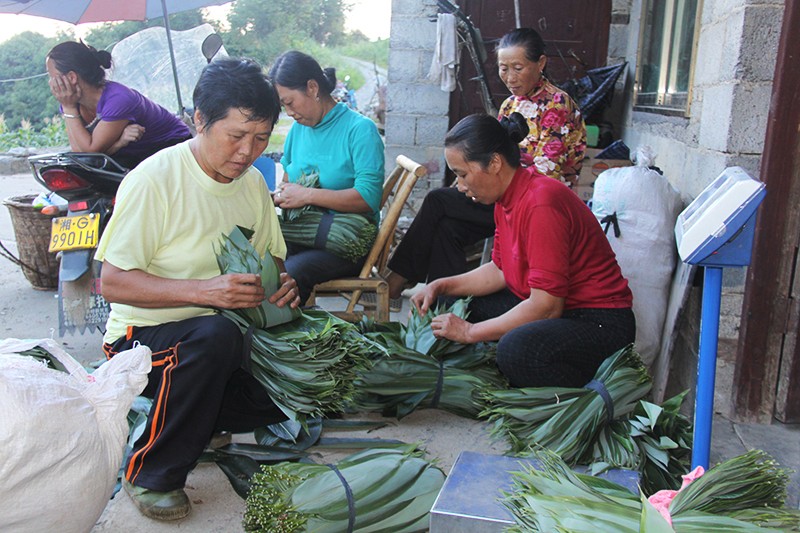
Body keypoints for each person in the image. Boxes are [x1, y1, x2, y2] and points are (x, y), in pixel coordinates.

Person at [96, 57, 300, 521]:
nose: (248, 151)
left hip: (215, 335)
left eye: (262, 137)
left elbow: (273, 261)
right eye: (236, 135)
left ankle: (199, 419)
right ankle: (150, 472)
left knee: (305, 373)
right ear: (200, 121)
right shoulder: (154, 180)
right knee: (214, 337)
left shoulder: (250, 184)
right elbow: (113, 282)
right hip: (141, 338)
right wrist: (207, 292)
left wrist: (282, 288)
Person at [411, 113, 633, 389]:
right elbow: (499, 270)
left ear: (494, 163)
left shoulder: (541, 203)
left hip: (597, 321)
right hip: (552, 306)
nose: (459, 185)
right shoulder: (507, 199)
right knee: (446, 305)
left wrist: (470, 332)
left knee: (517, 352)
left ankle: (590, 392)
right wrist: (441, 285)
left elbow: (547, 307)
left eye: (462, 173)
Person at [386, 27, 586, 300]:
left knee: (437, 201)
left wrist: (481, 179)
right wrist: (470, 177)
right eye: (503, 69)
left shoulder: (557, 104)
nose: (510, 77)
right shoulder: (510, 106)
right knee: (447, 229)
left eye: (518, 67)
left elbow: (545, 173)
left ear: (540, 63)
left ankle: (395, 281)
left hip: (537, 207)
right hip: (502, 199)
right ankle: (448, 310)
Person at [269, 50, 385, 303]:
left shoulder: (359, 130)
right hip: (301, 233)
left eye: (290, 102)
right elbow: (287, 182)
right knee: (259, 264)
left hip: (345, 244)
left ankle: (290, 336)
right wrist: (280, 195)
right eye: (283, 106)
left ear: (312, 87)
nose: (289, 112)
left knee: (288, 275)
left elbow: (368, 198)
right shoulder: (298, 131)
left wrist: (308, 195)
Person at [46, 40, 191, 169]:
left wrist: (69, 108)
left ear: (71, 77)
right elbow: (80, 154)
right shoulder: (70, 103)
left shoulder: (118, 99)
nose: (50, 83)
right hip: (132, 154)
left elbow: (90, 150)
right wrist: (119, 143)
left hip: (170, 149)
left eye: (51, 76)